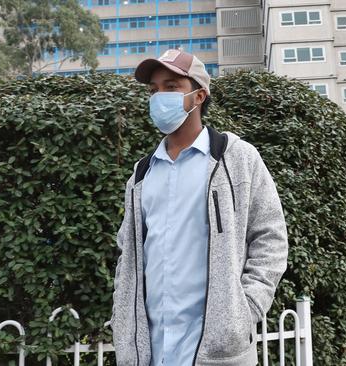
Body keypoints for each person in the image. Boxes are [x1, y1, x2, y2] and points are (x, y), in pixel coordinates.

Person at [110, 49, 289, 366]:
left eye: (170, 86)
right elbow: (128, 252)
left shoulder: (236, 159)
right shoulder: (141, 175)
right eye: (153, 90)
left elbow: (271, 236)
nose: (158, 98)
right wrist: (122, 319)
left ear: (199, 95)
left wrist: (244, 309)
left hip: (216, 353)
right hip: (148, 353)